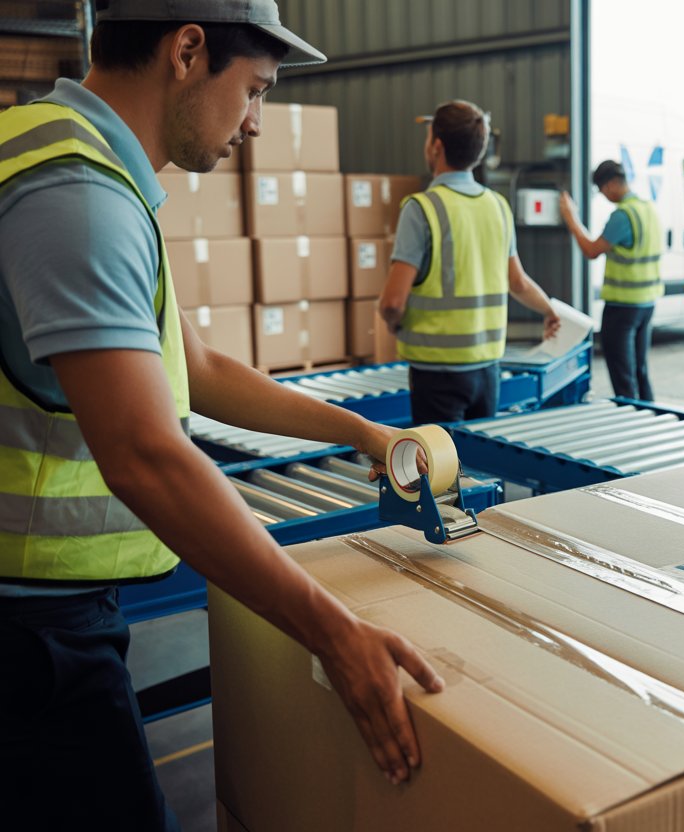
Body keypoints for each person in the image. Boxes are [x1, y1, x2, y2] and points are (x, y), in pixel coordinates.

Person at [0, 3, 444, 828]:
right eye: (255, 91)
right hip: (29, 630)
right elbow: (145, 453)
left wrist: (362, 431)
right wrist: (332, 631)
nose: (257, 123)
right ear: (187, 51)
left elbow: (194, 369)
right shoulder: (77, 192)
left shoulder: (82, 164)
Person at [379, 100, 560, 424]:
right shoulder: (498, 206)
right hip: (487, 370)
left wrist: (393, 322)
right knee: (478, 466)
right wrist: (549, 311)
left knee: (442, 470)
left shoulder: (421, 209)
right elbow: (517, 282)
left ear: (436, 146)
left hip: (437, 374)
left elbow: (393, 301)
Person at [559, 160, 662, 401]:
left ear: (613, 183)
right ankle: (650, 421)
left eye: (603, 188)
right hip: (646, 304)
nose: (604, 195)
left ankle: (630, 428)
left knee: (623, 378)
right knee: (640, 371)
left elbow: (592, 250)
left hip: (622, 308)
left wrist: (571, 218)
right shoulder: (647, 208)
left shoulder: (623, 216)